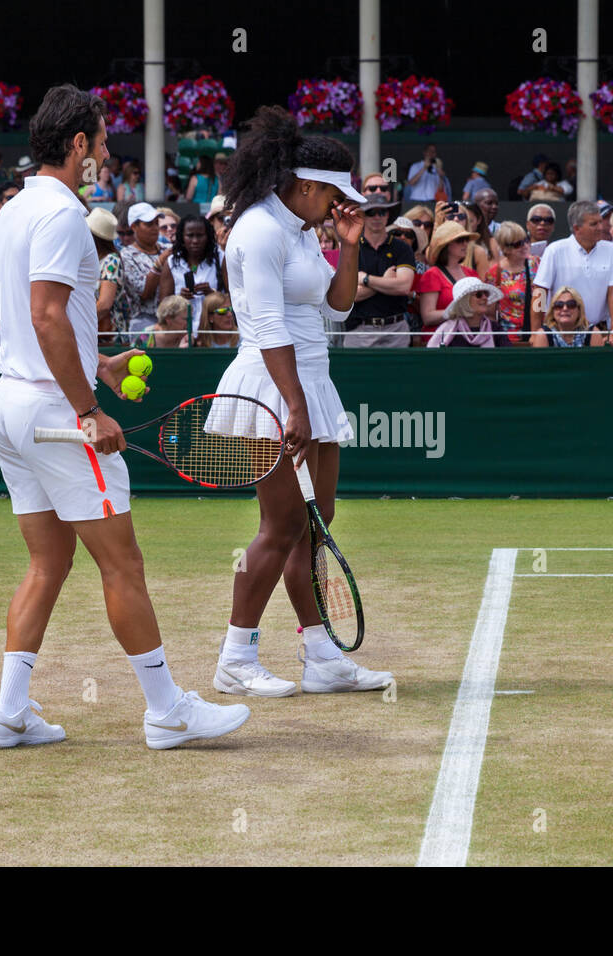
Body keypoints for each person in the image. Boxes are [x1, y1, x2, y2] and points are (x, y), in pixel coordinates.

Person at [0, 84, 248, 750]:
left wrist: (94, 362)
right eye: (100, 143)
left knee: (49, 563)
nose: (105, 154)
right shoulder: (65, 213)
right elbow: (44, 314)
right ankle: (168, 712)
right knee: (123, 564)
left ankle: (9, 712)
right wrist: (89, 408)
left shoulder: (12, 211)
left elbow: (40, 316)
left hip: (10, 405)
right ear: (78, 146)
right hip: (54, 412)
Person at [209, 103, 394, 696]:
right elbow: (264, 324)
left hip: (309, 381)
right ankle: (236, 657)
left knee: (317, 524)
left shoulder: (301, 230)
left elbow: (337, 307)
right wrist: (293, 405)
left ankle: (321, 657)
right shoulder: (260, 229)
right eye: (335, 199)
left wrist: (350, 244)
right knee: (282, 522)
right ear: (308, 185)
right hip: (272, 387)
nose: (342, 208)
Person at [532, 199, 613, 342]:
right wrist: (535, 332)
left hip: (598, 332)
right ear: (576, 228)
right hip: (560, 331)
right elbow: (539, 293)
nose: (601, 227)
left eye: (600, 222)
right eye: (594, 224)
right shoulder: (554, 251)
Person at [346, 174, 415, 347]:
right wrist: (386, 282)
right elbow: (349, 295)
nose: (376, 217)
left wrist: (365, 279)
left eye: (381, 211)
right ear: (362, 216)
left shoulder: (402, 247)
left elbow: (404, 287)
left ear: (388, 215)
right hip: (360, 331)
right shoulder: (351, 248)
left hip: (396, 330)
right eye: (371, 212)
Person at [158, 213, 224, 339]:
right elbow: (163, 305)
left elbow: (232, 297)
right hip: (182, 335)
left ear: (208, 237)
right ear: (182, 237)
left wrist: (213, 294)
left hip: (214, 333)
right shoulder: (172, 263)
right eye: (190, 235)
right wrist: (179, 299)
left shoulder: (220, 259)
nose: (195, 240)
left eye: (200, 236)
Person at [416, 220, 480, 345]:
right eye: (460, 240)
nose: (465, 244)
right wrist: (458, 311)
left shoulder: (471, 273)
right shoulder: (432, 275)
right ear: (446, 245)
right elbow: (428, 317)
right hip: (440, 341)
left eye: (466, 239)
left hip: (469, 339)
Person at [118, 202, 170, 340]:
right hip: (143, 322)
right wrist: (160, 262)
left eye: (156, 223)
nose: (155, 228)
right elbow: (143, 293)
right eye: (148, 224)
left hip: (173, 322)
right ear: (134, 227)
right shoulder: (126, 255)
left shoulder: (168, 248)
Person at [486, 221, 541, 344]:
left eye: (526, 240)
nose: (525, 245)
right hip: (508, 339)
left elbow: (542, 299)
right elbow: (490, 313)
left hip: (537, 335)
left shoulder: (536, 264)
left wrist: (537, 331)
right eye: (518, 244)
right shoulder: (495, 273)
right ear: (506, 248)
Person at [426, 277, 506, 347]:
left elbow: (508, 359)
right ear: (464, 301)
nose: (485, 298)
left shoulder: (495, 328)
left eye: (486, 293)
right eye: (479, 294)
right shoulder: (447, 330)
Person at [86, 207, 126, 343]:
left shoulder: (111, 261)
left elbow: (104, 305)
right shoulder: (89, 259)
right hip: (93, 331)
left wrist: (79, 321)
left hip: (108, 336)